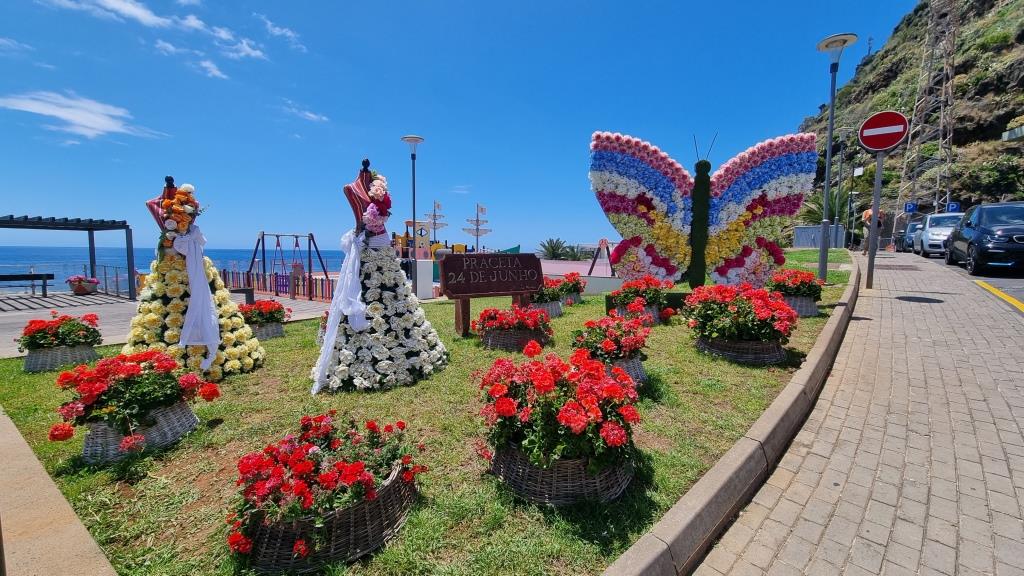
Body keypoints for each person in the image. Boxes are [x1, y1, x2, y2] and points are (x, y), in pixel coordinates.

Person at [311, 160, 448, 393]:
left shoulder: (379, 187)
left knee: (396, 293)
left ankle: (410, 347)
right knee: (360, 292)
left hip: (384, 249)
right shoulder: (351, 188)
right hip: (366, 251)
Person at [124, 177, 265, 381]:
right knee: (178, 301)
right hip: (173, 262)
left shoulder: (190, 208)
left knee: (205, 301)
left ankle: (209, 351)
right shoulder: (156, 205)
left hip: (193, 262)